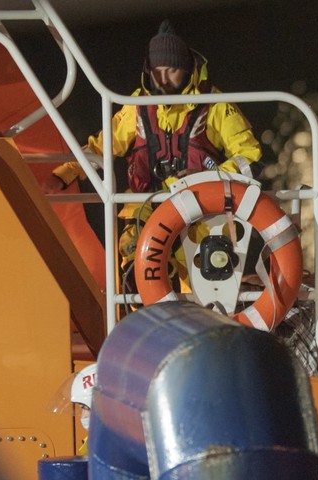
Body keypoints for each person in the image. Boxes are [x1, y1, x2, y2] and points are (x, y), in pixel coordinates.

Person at [44, 20, 263, 287]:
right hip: (144, 209)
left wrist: (209, 176)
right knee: (135, 269)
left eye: (171, 70)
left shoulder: (214, 105)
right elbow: (101, 147)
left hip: (202, 211)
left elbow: (251, 157)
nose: (163, 79)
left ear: (187, 68)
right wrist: (63, 175)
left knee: (207, 284)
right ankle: (145, 308)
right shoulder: (136, 107)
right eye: (157, 70)